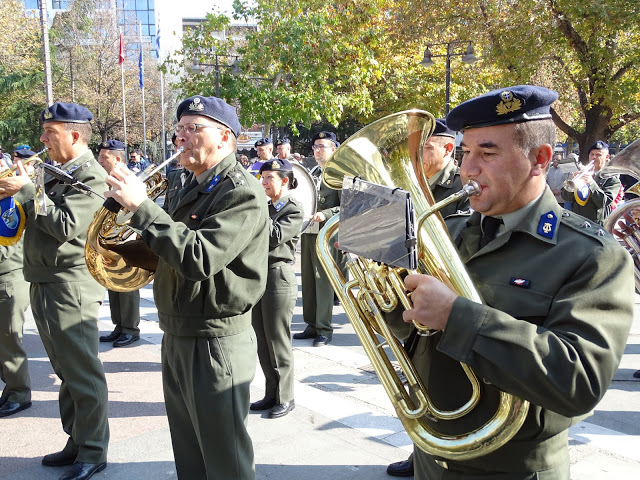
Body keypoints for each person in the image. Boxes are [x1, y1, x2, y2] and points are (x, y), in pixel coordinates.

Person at [389, 85, 633, 480]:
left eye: (487, 153)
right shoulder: (445, 232)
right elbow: (407, 330)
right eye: (466, 152)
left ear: (539, 160)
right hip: (431, 457)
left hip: (514, 469)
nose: (468, 169)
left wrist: (456, 317)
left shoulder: (592, 255)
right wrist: (384, 294)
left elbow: (580, 381)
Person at [103, 95, 269, 480]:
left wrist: (143, 208)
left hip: (215, 343)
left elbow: (199, 258)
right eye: (179, 130)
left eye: (194, 128)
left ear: (225, 138)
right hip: (178, 332)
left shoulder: (239, 191)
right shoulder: (191, 183)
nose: (181, 138)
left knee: (225, 461)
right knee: (190, 455)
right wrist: (121, 246)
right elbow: (170, 254)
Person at [0, 102, 110, 480]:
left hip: (70, 284)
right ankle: (76, 440)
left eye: (51, 133)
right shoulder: (55, 171)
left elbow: (65, 225)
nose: (42, 139)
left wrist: (28, 189)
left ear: (75, 135)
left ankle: (94, 450)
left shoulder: (92, 176)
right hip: (45, 278)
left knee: (82, 372)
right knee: (64, 370)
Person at [386, 118, 469, 478]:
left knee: (446, 382)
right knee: (417, 378)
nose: (414, 155)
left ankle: (441, 450)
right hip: (413, 295)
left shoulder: (459, 185)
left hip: (449, 294)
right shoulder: (403, 183)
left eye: (425, 147)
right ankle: (421, 449)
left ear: (449, 149)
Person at [250, 158, 303, 419]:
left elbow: (273, 237)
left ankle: (285, 396)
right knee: (262, 340)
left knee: (278, 340)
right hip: (259, 276)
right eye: (263, 177)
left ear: (284, 180)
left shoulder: (292, 208)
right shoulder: (268, 207)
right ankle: (271, 393)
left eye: (269, 178)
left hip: (278, 276)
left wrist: (257, 207)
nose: (264, 183)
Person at [294, 131, 346, 347]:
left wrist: (325, 214)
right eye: (315, 146)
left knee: (322, 281)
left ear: (333, 149)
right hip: (309, 230)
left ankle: (324, 328)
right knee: (307, 279)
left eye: (322, 146)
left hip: (328, 233)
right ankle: (311, 324)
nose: (316, 150)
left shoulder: (340, 174)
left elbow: (346, 206)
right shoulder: (314, 172)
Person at [96, 140, 142, 348]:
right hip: (110, 238)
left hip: (127, 236)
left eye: (104, 157)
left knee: (126, 285)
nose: (100, 160)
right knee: (112, 283)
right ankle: (119, 326)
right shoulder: (107, 178)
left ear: (118, 158)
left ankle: (131, 328)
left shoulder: (130, 179)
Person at [0, 162, 31, 419]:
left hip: (8, 277)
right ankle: (10, 389)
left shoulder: (11, 200)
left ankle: (19, 393)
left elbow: (9, 244)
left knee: (9, 340)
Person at [561, 141, 621, 225]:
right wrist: (573, 180)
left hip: (596, 225)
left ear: (607, 157)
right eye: (592, 154)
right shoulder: (582, 174)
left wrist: (591, 183)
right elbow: (565, 197)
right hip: (577, 221)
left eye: (598, 155)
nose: (594, 157)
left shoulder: (611, 179)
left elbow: (603, 202)